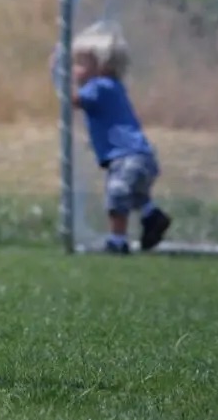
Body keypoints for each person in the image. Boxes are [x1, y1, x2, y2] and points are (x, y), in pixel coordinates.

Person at [67, 23, 171, 254]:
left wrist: (57, 76)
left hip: (127, 157)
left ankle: (117, 241)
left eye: (81, 63)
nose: (75, 69)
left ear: (102, 65)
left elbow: (72, 101)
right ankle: (152, 216)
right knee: (135, 195)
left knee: (117, 195)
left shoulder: (99, 87)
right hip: (141, 155)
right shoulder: (112, 86)